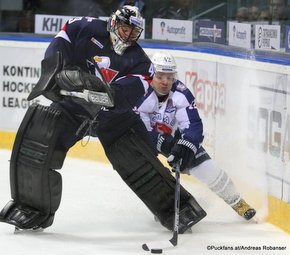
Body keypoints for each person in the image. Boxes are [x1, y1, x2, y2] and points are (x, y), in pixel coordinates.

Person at [0, 6, 206, 234]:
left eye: (133, 32)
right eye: (124, 28)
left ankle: (178, 208)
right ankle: (31, 209)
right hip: (72, 108)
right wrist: (54, 70)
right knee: (37, 141)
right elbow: (62, 40)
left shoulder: (142, 64)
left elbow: (123, 97)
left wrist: (91, 85)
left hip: (114, 120)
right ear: (113, 23)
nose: (127, 35)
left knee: (139, 161)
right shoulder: (85, 27)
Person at [135, 52, 256, 221]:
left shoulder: (181, 93)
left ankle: (237, 202)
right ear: (151, 74)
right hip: (145, 141)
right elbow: (140, 130)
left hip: (175, 137)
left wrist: (185, 146)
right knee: (149, 173)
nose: (165, 82)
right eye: (161, 76)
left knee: (208, 169)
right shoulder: (139, 92)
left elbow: (193, 125)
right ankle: (163, 208)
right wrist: (163, 143)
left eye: (169, 77)